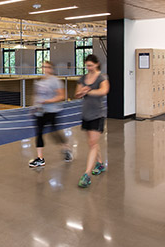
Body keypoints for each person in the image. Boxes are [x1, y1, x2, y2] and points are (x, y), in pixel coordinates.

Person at [29, 61, 73, 168]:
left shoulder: (55, 81)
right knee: (39, 133)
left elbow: (62, 96)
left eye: (48, 67)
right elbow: (36, 95)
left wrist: (48, 101)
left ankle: (65, 148)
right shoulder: (39, 81)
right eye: (43, 67)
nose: (45, 69)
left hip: (52, 111)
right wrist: (33, 106)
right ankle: (40, 158)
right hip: (40, 111)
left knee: (54, 133)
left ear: (51, 69)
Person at [75, 54, 110, 188]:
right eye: (87, 65)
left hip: (98, 114)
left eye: (90, 65)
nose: (88, 67)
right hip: (86, 114)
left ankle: (87, 174)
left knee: (93, 143)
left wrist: (88, 91)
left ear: (96, 64)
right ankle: (100, 163)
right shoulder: (83, 78)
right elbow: (77, 94)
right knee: (92, 143)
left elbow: (104, 90)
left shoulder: (102, 78)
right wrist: (81, 92)